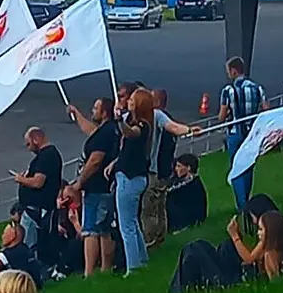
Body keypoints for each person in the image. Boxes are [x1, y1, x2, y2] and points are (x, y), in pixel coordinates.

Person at [168, 194, 283, 293]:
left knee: (195, 249)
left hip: (237, 282)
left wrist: (235, 236)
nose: (254, 226)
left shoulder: (272, 250)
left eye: (259, 227)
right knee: (226, 246)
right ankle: (191, 286)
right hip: (243, 275)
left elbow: (250, 260)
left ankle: (180, 292)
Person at [66, 97, 119, 277]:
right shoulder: (109, 130)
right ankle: (105, 268)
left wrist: (79, 183)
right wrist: (77, 114)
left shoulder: (105, 133)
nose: (92, 110)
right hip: (106, 187)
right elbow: (91, 131)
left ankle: (89, 272)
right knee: (104, 229)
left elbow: (95, 160)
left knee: (91, 231)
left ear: (104, 112)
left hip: (97, 188)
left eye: (96, 108)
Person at [143, 89, 199, 248]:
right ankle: (161, 237)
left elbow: (162, 148)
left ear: (157, 102)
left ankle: (151, 240)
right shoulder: (168, 120)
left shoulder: (158, 120)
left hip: (158, 170)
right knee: (161, 206)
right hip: (166, 170)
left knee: (151, 208)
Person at [107, 88, 154, 275]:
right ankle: (142, 258)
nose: (129, 101)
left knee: (126, 225)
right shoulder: (133, 121)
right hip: (131, 176)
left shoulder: (143, 126)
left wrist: (119, 120)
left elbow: (130, 133)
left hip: (130, 178)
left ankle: (133, 267)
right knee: (132, 222)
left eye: (132, 100)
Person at [219, 56, 269, 210]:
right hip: (252, 134)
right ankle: (247, 198)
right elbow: (266, 109)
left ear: (234, 71)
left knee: (237, 167)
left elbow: (221, 116)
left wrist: (225, 116)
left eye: (228, 72)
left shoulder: (228, 91)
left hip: (235, 133)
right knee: (248, 166)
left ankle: (241, 205)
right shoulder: (257, 88)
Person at [13, 127, 63, 253]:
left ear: (36, 139)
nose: (28, 148)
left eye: (29, 144)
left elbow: (38, 182)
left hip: (36, 210)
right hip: (33, 209)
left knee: (29, 244)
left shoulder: (46, 156)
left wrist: (20, 179)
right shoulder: (44, 156)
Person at [0, 215, 42, 289]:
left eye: (4, 233)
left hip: (23, 288)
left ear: (12, 236)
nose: (2, 236)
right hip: (28, 285)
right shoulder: (22, 248)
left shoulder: (14, 253)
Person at [166, 153, 208, 233]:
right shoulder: (188, 181)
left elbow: (170, 192)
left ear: (188, 168)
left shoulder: (190, 182)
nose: (176, 169)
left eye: (179, 166)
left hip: (189, 218)